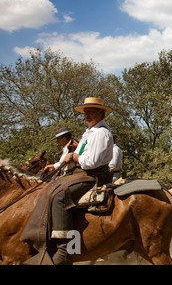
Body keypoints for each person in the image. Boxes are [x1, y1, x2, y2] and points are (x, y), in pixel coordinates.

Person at [50, 97, 114, 264]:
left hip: (93, 176)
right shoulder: (89, 132)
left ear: (101, 112)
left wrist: (72, 155)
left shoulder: (101, 133)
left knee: (59, 197)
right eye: (85, 112)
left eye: (91, 111)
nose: (87, 115)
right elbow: (77, 157)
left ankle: (65, 249)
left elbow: (91, 161)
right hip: (83, 173)